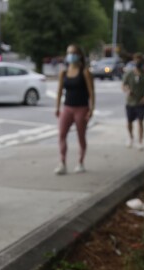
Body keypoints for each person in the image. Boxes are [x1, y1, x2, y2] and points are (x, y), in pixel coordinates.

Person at [54, 44, 95, 175]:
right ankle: (62, 163)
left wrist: (91, 109)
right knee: (61, 134)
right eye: (68, 53)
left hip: (81, 108)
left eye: (73, 53)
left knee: (81, 136)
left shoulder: (85, 72)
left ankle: (80, 162)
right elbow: (60, 91)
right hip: (67, 107)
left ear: (79, 55)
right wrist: (57, 107)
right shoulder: (63, 73)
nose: (70, 55)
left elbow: (91, 92)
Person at [121, 54, 144, 151]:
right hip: (130, 102)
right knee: (129, 122)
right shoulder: (129, 74)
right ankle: (131, 137)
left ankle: (140, 141)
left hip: (140, 102)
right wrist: (127, 90)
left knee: (140, 122)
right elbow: (123, 85)